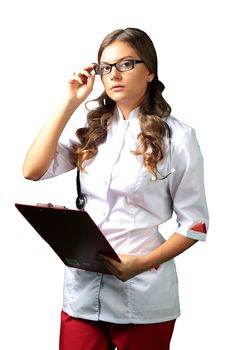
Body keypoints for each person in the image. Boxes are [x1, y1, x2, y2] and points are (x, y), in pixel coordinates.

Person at [23, 28, 209, 350]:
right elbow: (32, 170)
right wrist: (70, 101)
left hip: (144, 291)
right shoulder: (91, 133)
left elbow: (194, 224)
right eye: (105, 67)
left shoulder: (178, 137)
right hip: (82, 291)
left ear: (149, 70)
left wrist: (142, 263)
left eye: (126, 64)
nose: (114, 75)